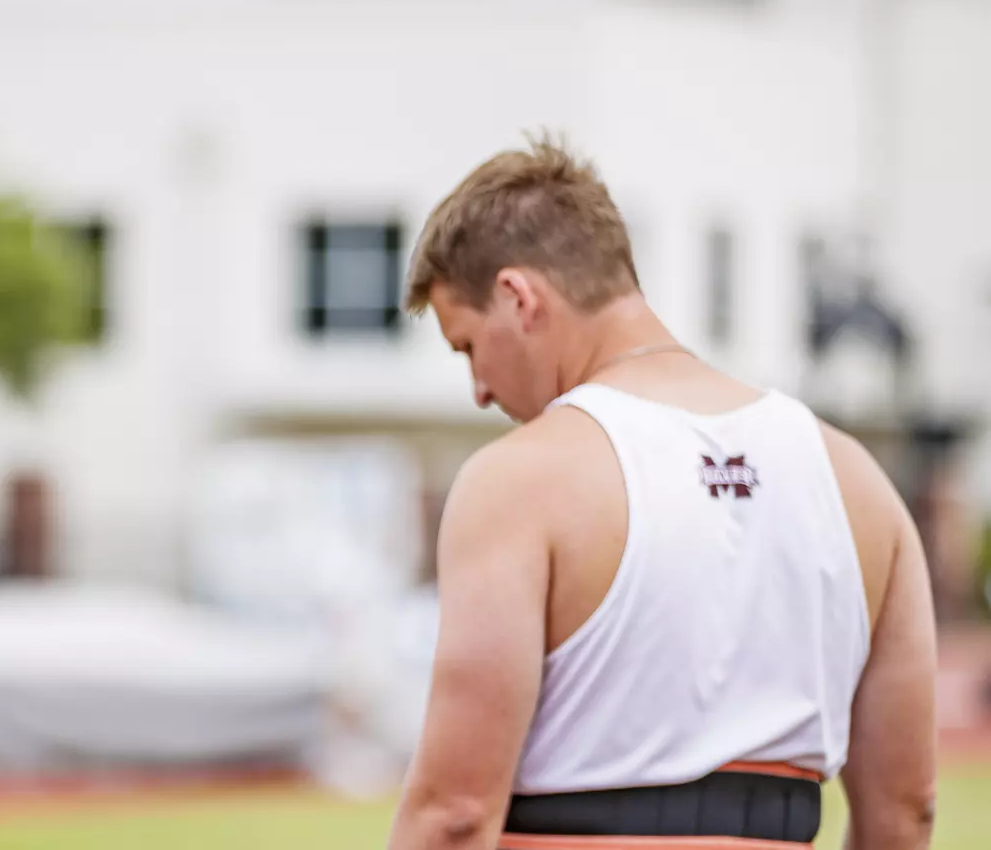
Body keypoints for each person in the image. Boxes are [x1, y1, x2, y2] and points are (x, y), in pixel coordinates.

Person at [387, 137, 937, 850]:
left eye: (466, 347)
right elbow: (905, 810)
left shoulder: (519, 482)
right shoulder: (854, 479)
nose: (479, 388)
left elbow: (455, 814)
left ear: (517, 297)